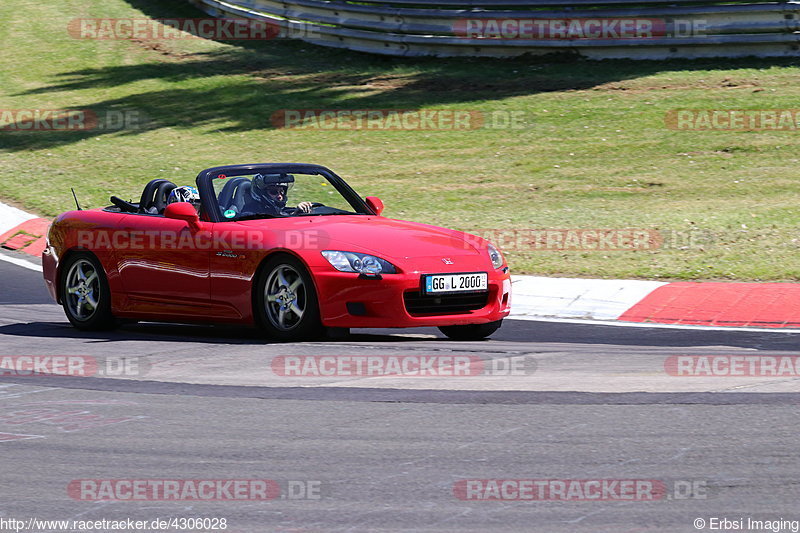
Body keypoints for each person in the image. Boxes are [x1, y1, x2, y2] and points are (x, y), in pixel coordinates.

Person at [245, 173, 312, 216]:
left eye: (281, 192)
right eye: (273, 192)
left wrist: (297, 212)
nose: (280, 196)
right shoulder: (249, 216)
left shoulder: (284, 211)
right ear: (261, 193)